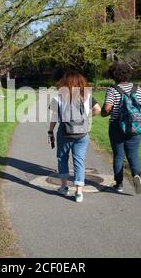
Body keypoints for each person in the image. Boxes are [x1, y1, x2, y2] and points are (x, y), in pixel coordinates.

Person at [48, 71, 101, 203]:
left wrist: (50, 131)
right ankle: (78, 192)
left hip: (64, 132)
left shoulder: (59, 96)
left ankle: (64, 187)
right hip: (82, 134)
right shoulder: (87, 95)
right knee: (79, 161)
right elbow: (98, 109)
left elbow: (54, 116)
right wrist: (85, 117)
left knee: (62, 158)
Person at [101, 63, 141, 194]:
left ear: (113, 75)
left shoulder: (113, 89)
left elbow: (107, 108)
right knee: (133, 154)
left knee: (118, 155)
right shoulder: (137, 88)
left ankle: (119, 184)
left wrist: (105, 113)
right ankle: (136, 175)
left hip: (117, 126)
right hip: (135, 125)